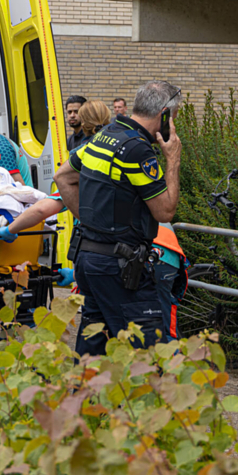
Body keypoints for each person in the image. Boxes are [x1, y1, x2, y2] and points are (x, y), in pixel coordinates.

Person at [54, 81, 183, 355]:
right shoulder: (137, 150)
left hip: (89, 260)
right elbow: (164, 211)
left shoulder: (105, 135)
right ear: (163, 115)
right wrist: (172, 159)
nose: (174, 124)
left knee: (93, 354)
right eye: (174, 117)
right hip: (119, 268)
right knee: (148, 355)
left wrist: (91, 223)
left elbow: (62, 176)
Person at [0, 100, 111, 240]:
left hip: (95, 239)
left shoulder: (81, 158)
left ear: (83, 124)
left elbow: (42, 209)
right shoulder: (124, 150)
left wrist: (10, 229)